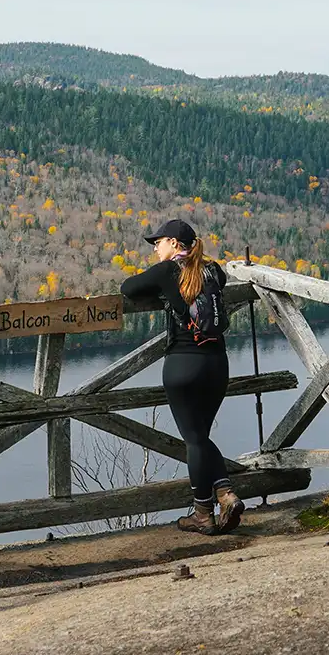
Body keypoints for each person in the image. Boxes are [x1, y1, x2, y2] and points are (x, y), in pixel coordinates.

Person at [119, 219, 243, 535]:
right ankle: (224, 494)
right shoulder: (213, 269)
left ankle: (204, 515)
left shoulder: (166, 272)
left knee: (195, 439)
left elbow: (128, 289)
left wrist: (162, 292)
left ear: (175, 243)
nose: (155, 248)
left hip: (184, 364)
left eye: (157, 242)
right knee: (200, 436)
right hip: (217, 362)